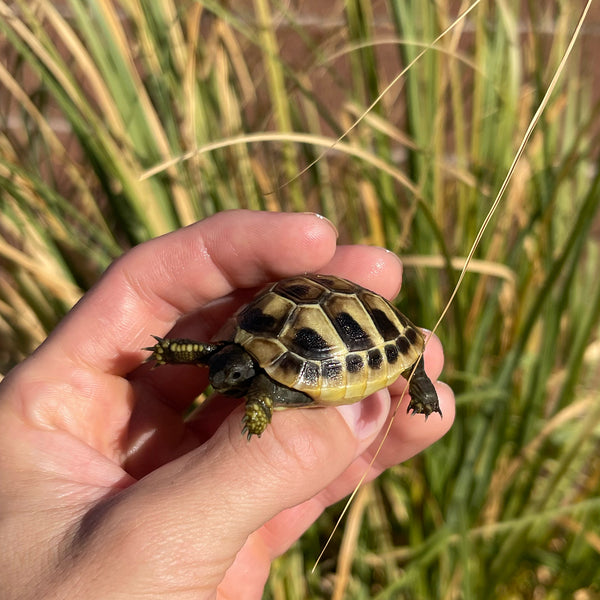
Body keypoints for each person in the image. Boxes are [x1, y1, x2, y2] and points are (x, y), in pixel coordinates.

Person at [0, 210, 454, 599]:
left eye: (231, 377)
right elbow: (207, 356)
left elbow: (245, 380)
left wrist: (256, 416)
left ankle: (423, 389)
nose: (220, 380)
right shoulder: (224, 354)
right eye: (225, 371)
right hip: (285, 331)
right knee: (227, 365)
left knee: (410, 365)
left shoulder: (261, 387)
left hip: (351, 335)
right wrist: (168, 352)